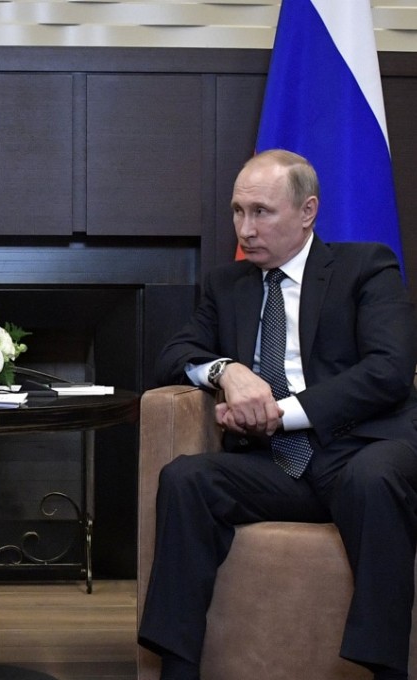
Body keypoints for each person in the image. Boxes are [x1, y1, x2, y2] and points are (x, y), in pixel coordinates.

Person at [138, 149, 417, 680]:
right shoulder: (227, 286)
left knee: (373, 478)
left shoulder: (366, 267)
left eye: (261, 211)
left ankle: (386, 670)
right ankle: (176, 668)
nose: (245, 228)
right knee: (185, 479)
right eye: (238, 211)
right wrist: (226, 371)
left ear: (307, 211)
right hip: (275, 470)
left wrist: (282, 412)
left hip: (358, 451)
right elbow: (172, 356)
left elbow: (389, 371)